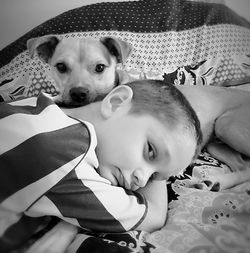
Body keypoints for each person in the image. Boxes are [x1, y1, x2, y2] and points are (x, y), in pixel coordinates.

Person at [0, 79, 202, 252]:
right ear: (116, 102)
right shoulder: (67, 160)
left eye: (152, 178)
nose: (142, 180)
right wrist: (164, 174)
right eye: (150, 151)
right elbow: (155, 215)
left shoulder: (38, 104)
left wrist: (167, 165)